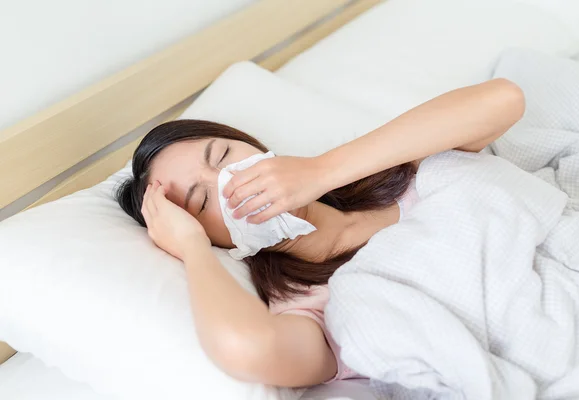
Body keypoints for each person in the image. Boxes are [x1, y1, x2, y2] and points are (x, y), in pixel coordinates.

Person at [115, 78, 525, 387]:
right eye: (204, 201)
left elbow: (503, 100)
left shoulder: (388, 174)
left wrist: (321, 170)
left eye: (224, 155)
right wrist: (191, 248)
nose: (231, 181)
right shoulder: (312, 305)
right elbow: (250, 349)